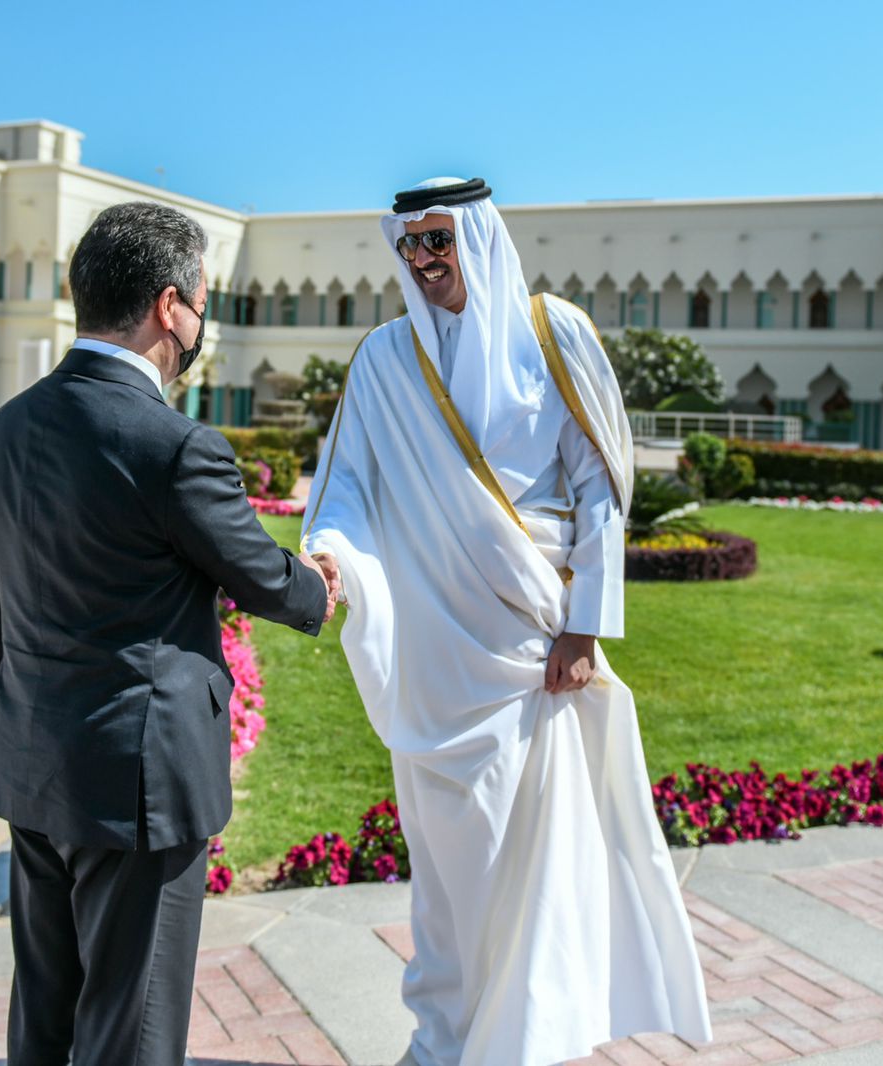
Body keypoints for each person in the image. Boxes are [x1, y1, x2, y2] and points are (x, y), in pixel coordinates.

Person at [304, 177, 711, 1065]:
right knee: (446, 880)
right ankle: (443, 1039)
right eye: (411, 246)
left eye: (439, 241)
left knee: (524, 864)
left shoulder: (551, 333)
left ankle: (517, 1043)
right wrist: (332, 553)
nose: (424, 260)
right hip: (430, 655)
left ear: (479, 239)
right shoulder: (383, 359)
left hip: (529, 651)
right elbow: (346, 485)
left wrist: (587, 625)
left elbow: (604, 485)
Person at [0, 201, 335, 1065]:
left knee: (46, 1012)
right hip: (138, 781)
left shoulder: (2, 430)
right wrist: (319, 586)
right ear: (171, 306)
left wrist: (38, 703)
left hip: (33, 757)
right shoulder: (174, 444)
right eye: (202, 303)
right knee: (135, 1027)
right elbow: (263, 577)